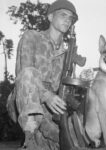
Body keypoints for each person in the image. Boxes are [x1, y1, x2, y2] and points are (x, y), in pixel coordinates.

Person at [7, 0, 79, 149]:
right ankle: (29, 136)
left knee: (72, 141)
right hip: (26, 99)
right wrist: (46, 95)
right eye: (63, 15)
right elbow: (24, 74)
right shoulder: (32, 37)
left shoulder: (67, 54)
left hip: (50, 108)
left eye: (70, 18)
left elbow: (65, 91)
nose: (68, 19)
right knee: (29, 73)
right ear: (50, 17)